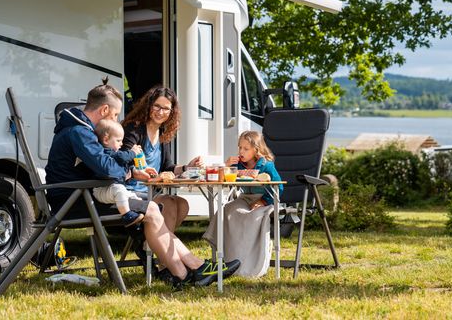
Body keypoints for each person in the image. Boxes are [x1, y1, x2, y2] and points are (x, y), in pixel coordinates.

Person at [45, 84, 240, 288]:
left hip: (80, 196)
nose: (114, 121)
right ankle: (190, 271)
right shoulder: (80, 132)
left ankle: (187, 272)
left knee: (157, 208)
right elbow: (108, 168)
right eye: (114, 115)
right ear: (104, 111)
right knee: (153, 209)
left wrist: (122, 170)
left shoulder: (79, 128)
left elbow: (107, 165)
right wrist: (129, 172)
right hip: (72, 202)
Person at [121, 86, 203, 232]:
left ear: (172, 112)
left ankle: (149, 244)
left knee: (183, 204)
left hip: (152, 191)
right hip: (131, 191)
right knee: (168, 203)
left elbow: (167, 167)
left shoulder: (163, 134)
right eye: (157, 106)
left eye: (166, 108)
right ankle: (160, 250)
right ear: (148, 105)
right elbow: (123, 162)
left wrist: (186, 167)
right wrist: (145, 175)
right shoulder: (134, 129)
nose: (160, 112)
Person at [203, 130, 283, 278]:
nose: (241, 151)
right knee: (228, 209)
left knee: (254, 217)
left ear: (256, 150)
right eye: (240, 147)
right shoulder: (238, 165)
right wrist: (225, 166)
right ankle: (226, 255)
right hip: (245, 198)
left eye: (246, 149)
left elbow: (280, 187)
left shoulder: (267, 166)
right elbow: (223, 179)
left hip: (264, 199)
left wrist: (264, 200)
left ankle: (250, 260)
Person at [92, 119, 144, 227]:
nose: (122, 144)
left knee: (132, 195)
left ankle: (143, 213)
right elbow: (122, 157)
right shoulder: (106, 151)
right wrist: (133, 152)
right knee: (120, 190)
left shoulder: (113, 152)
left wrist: (128, 172)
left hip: (110, 189)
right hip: (101, 190)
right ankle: (127, 215)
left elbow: (122, 162)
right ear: (106, 140)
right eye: (118, 140)